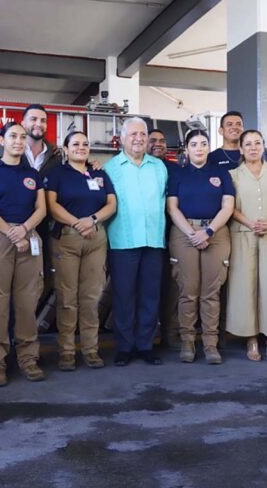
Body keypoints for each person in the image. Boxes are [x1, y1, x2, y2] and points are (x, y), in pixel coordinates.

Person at [0, 121, 47, 386]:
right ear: (2, 140)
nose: (18, 141)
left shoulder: (33, 174)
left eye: (22, 137)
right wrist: (11, 232)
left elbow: (41, 209)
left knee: (28, 302)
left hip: (28, 238)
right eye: (13, 136)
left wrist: (25, 230)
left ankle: (28, 358)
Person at [45, 131, 117, 370]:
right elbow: (52, 206)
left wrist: (93, 219)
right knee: (67, 298)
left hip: (96, 238)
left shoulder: (99, 173)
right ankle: (66, 352)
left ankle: (91, 349)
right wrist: (78, 223)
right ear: (65, 149)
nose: (81, 147)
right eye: (75, 144)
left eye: (85, 144)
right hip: (67, 238)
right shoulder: (57, 174)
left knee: (91, 297)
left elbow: (112, 204)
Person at [104, 117, 168, 367]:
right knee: (123, 296)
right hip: (123, 241)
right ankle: (124, 347)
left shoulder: (159, 167)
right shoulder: (111, 168)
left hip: (153, 240)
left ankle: (145, 345)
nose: (139, 138)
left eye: (143, 134)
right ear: (122, 138)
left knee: (150, 296)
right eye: (133, 134)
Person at [167, 129, 234, 364]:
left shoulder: (221, 173)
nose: (199, 148)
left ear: (208, 147)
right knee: (188, 291)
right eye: (194, 144)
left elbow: (227, 206)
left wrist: (207, 231)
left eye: (203, 144)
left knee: (211, 292)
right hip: (184, 233)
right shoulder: (178, 174)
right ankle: (187, 341)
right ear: (187, 148)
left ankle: (210, 343)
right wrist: (191, 233)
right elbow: (172, 207)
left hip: (215, 233)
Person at [226, 129, 267, 361]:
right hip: (243, 233)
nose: (253, 147)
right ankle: (251, 338)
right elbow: (228, 206)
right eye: (248, 144)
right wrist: (250, 223)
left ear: (264, 146)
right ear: (241, 149)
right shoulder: (233, 174)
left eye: (257, 143)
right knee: (245, 286)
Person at [149, 128, 181, 350]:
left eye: (162, 140)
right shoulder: (137, 168)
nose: (158, 144)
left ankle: (171, 334)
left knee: (173, 288)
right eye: (153, 140)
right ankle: (147, 337)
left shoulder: (176, 170)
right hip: (148, 237)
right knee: (149, 288)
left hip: (174, 234)